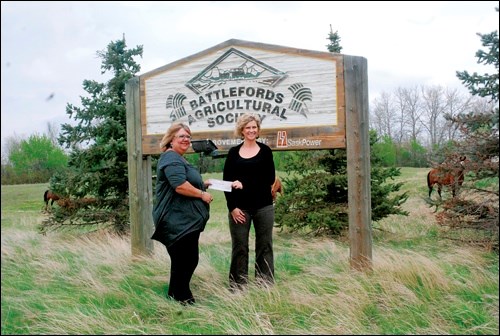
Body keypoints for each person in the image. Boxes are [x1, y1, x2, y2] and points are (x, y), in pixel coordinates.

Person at [151, 122, 214, 305]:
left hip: (184, 220)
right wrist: (202, 194)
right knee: (186, 260)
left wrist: (203, 185)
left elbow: (185, 182)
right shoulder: (170, 158)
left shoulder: (177, 158)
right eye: (182, 136)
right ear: (171, 140)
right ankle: (184, 300)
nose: (186, 139)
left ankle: (174, 296)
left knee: (184, 260)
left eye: (188, 136)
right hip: (175, 220)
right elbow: (179, 185)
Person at [223, 113, 276, 290]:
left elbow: (269, 179)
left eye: (254, 127)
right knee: (239, 247)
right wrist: (233, 208)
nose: (251, 130)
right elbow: (227, 183)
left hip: (264, 207)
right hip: (240, 209)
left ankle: (265, 284)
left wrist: (244, 183)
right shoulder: (233, 153)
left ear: (258, 130)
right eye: (248, 128)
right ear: (242, 130)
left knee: (265, 246)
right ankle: (238, 287)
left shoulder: (266, 151)